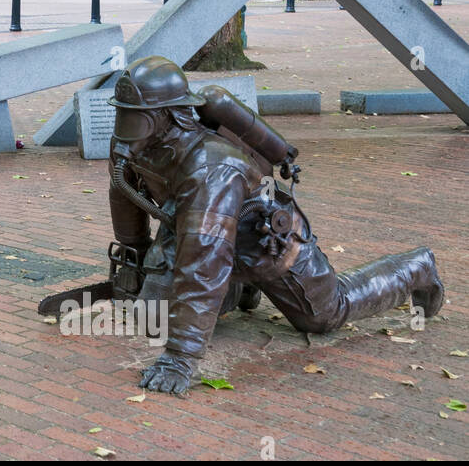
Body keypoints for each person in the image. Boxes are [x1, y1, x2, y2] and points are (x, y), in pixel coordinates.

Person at [107, 56, 444, 395]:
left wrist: (180, 357)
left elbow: (203, 266)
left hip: (265, 245)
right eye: (123, 112)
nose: (125, 123)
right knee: (155, 317)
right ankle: (237, 288)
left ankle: (417, 268)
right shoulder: (137, 146)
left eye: (136, 116)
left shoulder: (212, 167)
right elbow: (123, 193)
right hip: (196, 231)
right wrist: (134, 249)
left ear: (167, 115)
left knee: (325, 316)